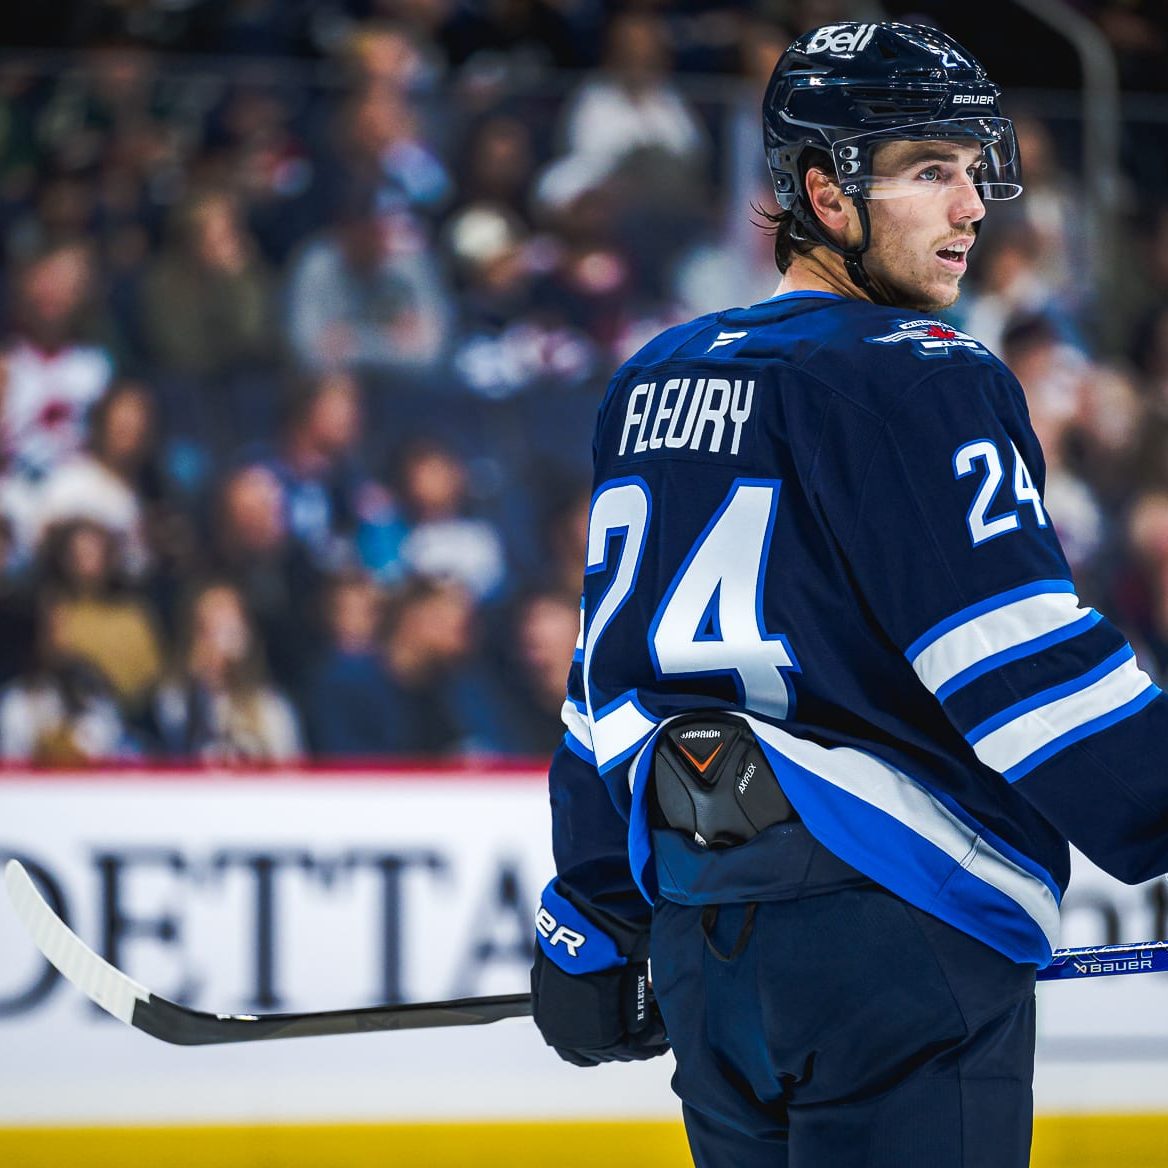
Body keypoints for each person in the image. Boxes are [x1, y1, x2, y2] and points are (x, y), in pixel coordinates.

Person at [529, 23, 1168, 1168]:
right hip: (896, 945)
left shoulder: (651, 381)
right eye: (928, 170)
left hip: (707, 947)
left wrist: (592, 917)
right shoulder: (922, 373)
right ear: (824, 193)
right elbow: (1025, 673)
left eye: (972, 170)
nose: (969, 207)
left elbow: (606, 692)